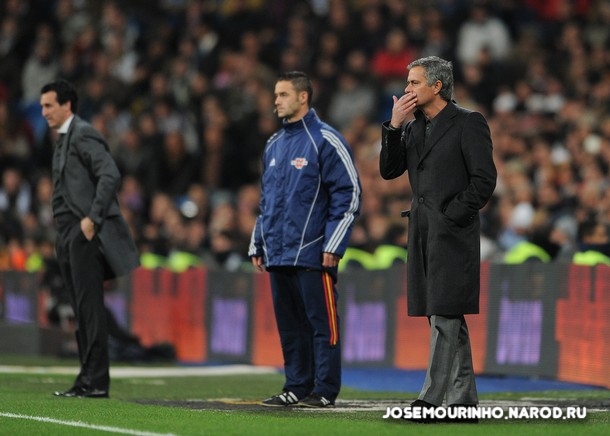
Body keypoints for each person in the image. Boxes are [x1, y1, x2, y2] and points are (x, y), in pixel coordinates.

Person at [379, 56, 497, 422]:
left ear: (437, 86)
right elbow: (389, 171)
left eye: (414, 83)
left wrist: (451, 215)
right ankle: (463, 402)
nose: (407, 89)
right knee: (443, 314)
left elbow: (484, 180)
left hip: (453, 233)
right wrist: (394, 127)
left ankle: (430, 400)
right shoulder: (413, 127)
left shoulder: (468, 122)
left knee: (444, 313)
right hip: (421, 231)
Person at [249, 71, 361, 408]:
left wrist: (333, 244)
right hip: (278, 252)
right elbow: (267, 200)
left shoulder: (326, 140)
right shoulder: (273, 144)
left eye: (283, 94)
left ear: (303, 97)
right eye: (275, 94)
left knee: (322, 324)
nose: (276, 101)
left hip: (313, 251)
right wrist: (258, 241)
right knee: (290, 325)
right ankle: (296, 385)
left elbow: (349, 194)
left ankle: (324, 389)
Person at [40, 79, 140, 398]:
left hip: (83, 232)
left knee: (90, 307)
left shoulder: (83, 133)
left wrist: (93, 218)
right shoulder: (64, 138)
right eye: (42, 106)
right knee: (80, 308)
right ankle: (86, 377)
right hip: (67, 233)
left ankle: (96, 381)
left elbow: (110, 174)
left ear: (66, 105)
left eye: (49, 105)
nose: (44, 112)